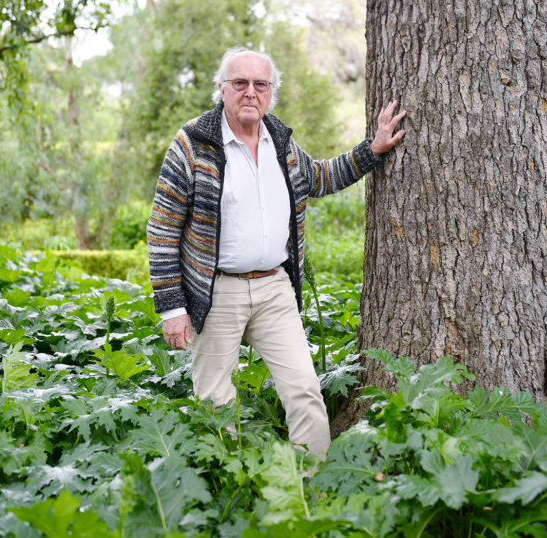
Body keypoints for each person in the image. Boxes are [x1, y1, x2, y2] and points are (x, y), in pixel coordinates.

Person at [146, 46, 406, 457]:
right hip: (216, 293)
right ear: (222, 89)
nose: (251, 92)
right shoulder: (193, 142)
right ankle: (231, 488)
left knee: (304, 390)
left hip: (274, 289)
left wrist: (370, 150)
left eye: (260, 84)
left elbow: (320, 177)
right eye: (240, 83)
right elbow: (162, 228)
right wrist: (172, 308)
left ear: (271, 93)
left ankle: (311, 487)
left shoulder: (279, 140)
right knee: (215, 403)